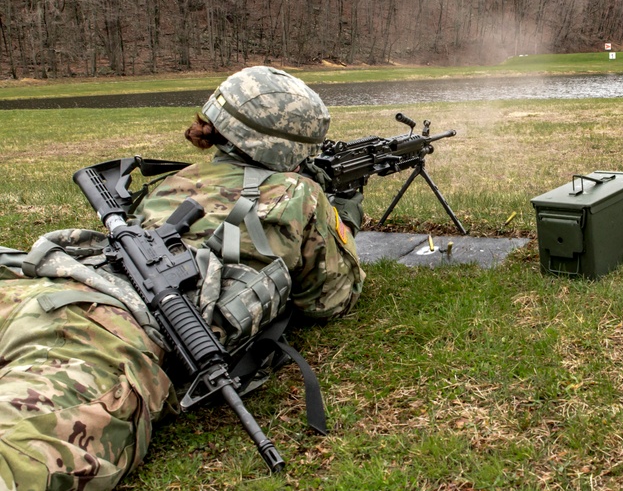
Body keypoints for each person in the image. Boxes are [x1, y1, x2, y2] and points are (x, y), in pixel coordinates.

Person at [0, 66, 365, 490]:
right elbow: (330, 300)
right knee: (24, 463)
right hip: (100, 332)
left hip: (35, 288)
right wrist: (343, 218)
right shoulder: (297, 193)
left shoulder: (174, 180)